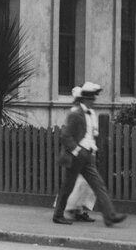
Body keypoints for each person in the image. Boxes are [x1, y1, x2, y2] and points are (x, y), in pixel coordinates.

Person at [52, 81, 126, 227]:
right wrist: (77, 151)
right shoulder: (75, 113)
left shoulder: (91, 113)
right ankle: (58, 215)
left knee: (98, 185)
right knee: (68, 186)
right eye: (91, 99)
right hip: (76, 156)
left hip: (87, 155)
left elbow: (91, 135)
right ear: (85, 99)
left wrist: (91, 150)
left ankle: (110, 216)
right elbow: (65, 136)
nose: (93, 101)